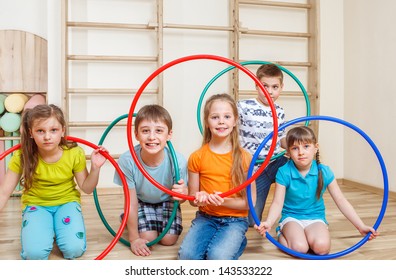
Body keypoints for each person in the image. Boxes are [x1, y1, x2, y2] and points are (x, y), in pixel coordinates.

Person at [0, 104, 108, 260]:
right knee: (34, 254)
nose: (47, 137)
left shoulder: (74, 153)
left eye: (53, 130)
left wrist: (96, 168)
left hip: (67, 203)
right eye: (40, 131)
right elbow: (4, 193)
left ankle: (58, 229)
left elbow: (87, 188)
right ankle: (47, 229)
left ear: (62, 131)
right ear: (31, 133)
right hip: (36, 204)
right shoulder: (22, 156)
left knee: (74, 250)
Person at [255, 126, 379, 255]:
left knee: (322, 248)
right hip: (292, 218)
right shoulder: (284, 172)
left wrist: (361, 226)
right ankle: (282, 232)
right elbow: (277, 203)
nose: (301, 152)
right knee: (300, 248)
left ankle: (305, 237)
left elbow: (341, 200)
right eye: (295, 148)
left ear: (316, 148)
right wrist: (269, 222)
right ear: (288, 152)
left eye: (306, 146)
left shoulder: (324, 171)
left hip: (315, 218)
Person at [178, 93, 256, 260]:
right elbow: (192, 199)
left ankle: (237, 240)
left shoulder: (244, 158)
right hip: (206, 218)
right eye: (215, 117)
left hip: (235, 220)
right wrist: (199, 198)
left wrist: (224, 200)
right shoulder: (197, 157)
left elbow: (249, 202)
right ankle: (230, 242)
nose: (221, 121)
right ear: (207, 122)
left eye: (227, 116)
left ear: (235, 121)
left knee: (217, 258)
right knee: (187, 257)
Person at [113, 104, 188, 257]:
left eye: (159, 131)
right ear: (136, 134)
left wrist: (182, 196)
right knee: (148, 238)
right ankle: (127, 218)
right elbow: (131, 202)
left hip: (166, 201)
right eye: (145, 131)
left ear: (169, 135)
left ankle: (133, 220)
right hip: (141, 201)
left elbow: (180, 198)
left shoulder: (178, 161)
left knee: (169, 240)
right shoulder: (127, 161)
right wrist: (134, 238)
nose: (152, 137)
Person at [237, 63, 289, 227]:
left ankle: (297, 213)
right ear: (256, 85)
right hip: (255, 167)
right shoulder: (244, 107)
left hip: (274, 162)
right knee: (253, 221)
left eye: (275, 87)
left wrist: (297, 145)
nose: (269, 91)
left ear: (281, 87)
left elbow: (281, 139)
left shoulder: (279, 111)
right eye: (264, 86)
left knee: (302, 161)